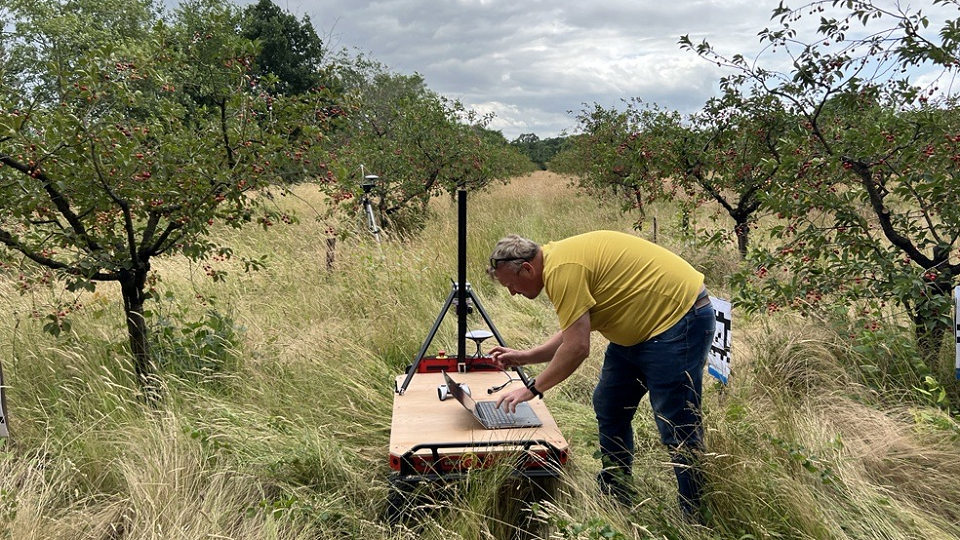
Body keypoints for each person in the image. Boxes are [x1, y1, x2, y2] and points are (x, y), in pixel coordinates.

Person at [487, 230, 715, 519]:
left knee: (677, 424)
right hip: (639, 332)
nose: (512, 292)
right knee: (610, 405)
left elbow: (578, 348)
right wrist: (526, 356)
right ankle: (616, 492)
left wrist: (532, 389)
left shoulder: (562, 271)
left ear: (528, 268)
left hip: (677, 320)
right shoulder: (558, 262)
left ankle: (695, 516)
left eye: (511, 284)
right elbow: (574, 331)